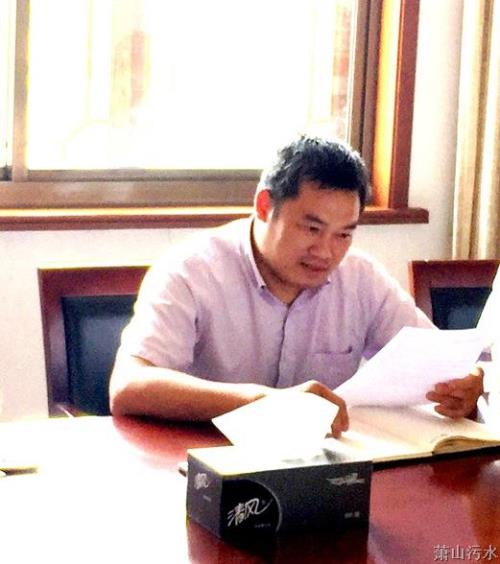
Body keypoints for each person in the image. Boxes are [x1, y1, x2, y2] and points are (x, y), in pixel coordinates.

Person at [109, 136, 483, 434]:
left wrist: (465, 387)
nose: (326, 252)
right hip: (206, 463)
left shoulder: (361, 279)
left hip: (326, 471)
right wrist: (263, 402)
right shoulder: (191, 271)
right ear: (264, 206)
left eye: (344, 234)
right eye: (312, 228)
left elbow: (438, 364)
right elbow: (129, 386)